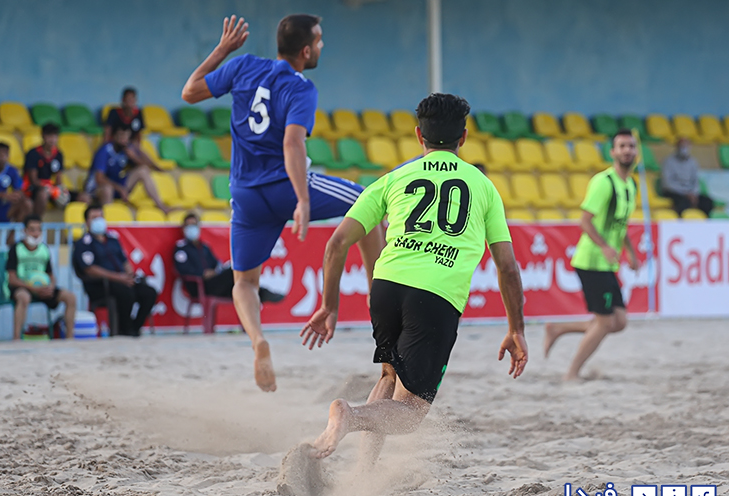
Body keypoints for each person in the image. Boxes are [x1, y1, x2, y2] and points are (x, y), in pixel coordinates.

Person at [300, 93, 528, 463]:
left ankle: (364, 472)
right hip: (436, 295)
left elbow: (337, 244)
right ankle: (348, 415)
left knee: (389, 377)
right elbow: (507, 267)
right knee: (409, 413)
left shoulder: (394, 178)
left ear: (419, 136)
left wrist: (329, 305)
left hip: (386, 287)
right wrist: (516, 329)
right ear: (464, 137)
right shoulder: (482, 185)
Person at [181, 14, 385, 392]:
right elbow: (292, 143)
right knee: (370, 202)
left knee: (244, 282)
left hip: (246, 194)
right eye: (319, 41)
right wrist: (302, 199)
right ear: (305, 51)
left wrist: (222, 50)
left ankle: (258, 340)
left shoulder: (242, 65)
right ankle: (380, 297)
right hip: (285, 187)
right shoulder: (300, 88)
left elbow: (190, 92)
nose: (321, 46)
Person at [543, 129, 640, 380]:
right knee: (606, 322)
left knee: (619, 322)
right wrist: (605, 246)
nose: (627, 150)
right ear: (613, 152)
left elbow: (621, 225)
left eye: (631, 146)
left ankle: (558, 329)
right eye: (622, 146)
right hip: (591, 261)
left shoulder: (630, 184)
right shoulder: (603, 182)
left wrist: (630, 252)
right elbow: (585, 221)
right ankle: (572, 373)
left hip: (607, 264)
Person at [72, 204, 158, 337]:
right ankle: (124, 329)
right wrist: (119, 278)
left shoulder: (112, 239)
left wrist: (129, 275)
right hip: (100, 285)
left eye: (100, 217)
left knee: (149, 293)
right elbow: (90, 269)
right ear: (87, 222)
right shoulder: (83, 243)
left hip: (122, 280)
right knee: (125, 292)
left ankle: (134, 328)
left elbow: (124, 261)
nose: (98, 221)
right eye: (94, 218)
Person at [173, 212, 284, 303]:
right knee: (235, 272)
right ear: (183, 228)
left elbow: (216, 264)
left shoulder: (204, 247)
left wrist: (217, 270)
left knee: (239, 284)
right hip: (200, 286)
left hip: (216, 285)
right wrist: (203, 273)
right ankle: (262, 292)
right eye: (189, 225)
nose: (192, 228)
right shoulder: (181, 249)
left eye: (194, 225)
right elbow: (183, 270)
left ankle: (261, 293)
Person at [6, 215, 76, 340]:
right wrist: (33, 288)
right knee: (24, 297)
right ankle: (16, 338)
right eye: (32, 230)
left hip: (42, 288)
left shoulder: (44, 249)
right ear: (25, 231)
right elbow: (12, 279)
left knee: (71, 298)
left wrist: (51, 287)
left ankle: (69, 338)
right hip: (22, 287)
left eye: (39, 230)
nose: (36, 234)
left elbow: (51, 275)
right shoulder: (16, 249)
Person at [83, 123, 170, 212]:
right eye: (121, 135)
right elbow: (99, 179)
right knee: (107, 189)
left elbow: (147, 165)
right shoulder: (104, 150)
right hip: (97, 189)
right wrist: (120, 189)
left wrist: (134, 157)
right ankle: (109, 215)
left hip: (117, 186)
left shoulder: (126, 150)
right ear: (114, 136)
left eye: (126, 136)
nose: (123, 139)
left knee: (143, 170)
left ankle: (161, 206)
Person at [23, 123, 67, 217]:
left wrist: (61, 190)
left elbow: (58, 178)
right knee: (43, 193)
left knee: (81, 196)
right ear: (43, 136)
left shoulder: (58, 154)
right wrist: (49, 188)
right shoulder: (33, 153)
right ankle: (36, 220)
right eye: (49, 136)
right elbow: (33, 180)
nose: (52, 139)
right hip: (32, 188)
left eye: (55, 136)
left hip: (50, 187)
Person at [661, 138, 714, 217]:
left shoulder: (693, 162)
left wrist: (693, 194)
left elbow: (695, 181)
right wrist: (685, 193)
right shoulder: (669, 161)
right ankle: (681, 222)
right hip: (674, 192)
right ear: (677, 147)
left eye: (686, 146)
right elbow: (667, 183)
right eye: (681, 146)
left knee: (707, 202)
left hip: (690, 193)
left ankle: (704, 222)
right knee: (683, 203)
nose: (684, 148)